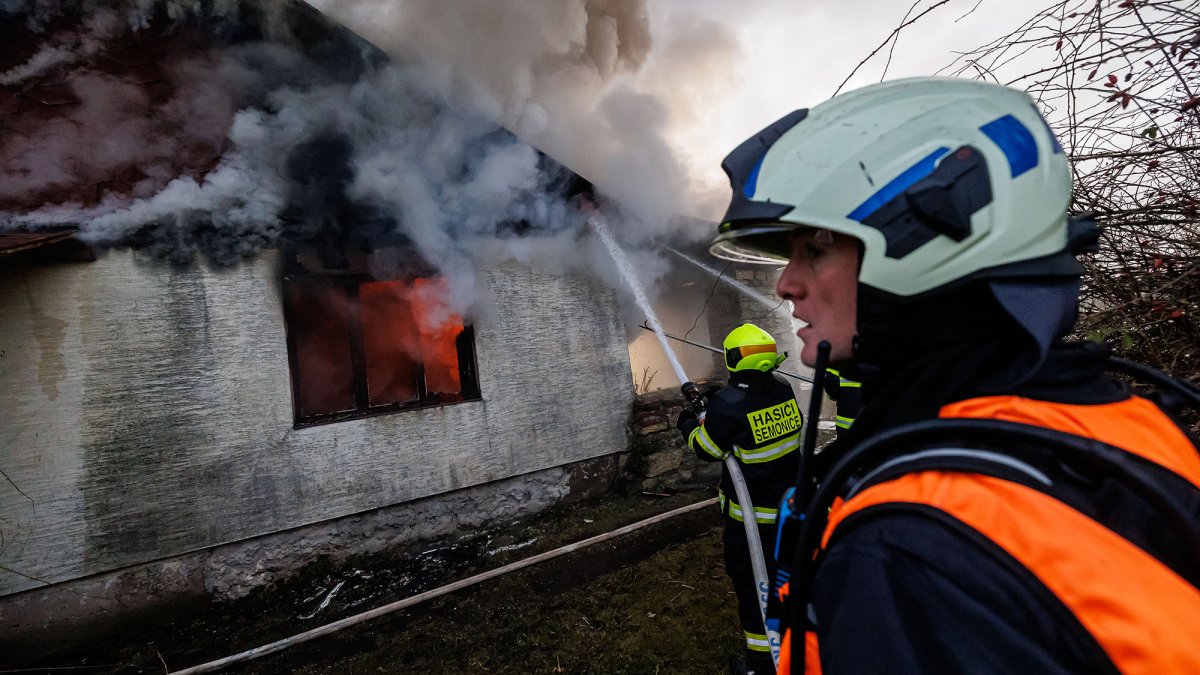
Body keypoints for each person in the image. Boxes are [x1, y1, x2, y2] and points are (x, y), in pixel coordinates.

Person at [707, 77, 1200, 673]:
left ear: (917, 245)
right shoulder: (1121, 422)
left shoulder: (908, 552)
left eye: (813, 250)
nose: (786, 283)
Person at [676, 323, 802, 675]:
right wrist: (719, 401)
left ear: (733, 359)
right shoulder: (783, 388)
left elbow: (708, 448)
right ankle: (797, 647)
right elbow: (749, 414)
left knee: (754, 591)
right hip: (791, 513)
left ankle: (762, 664)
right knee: (788, 584)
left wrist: (688, 424)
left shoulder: (728, 406)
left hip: (752, 524)